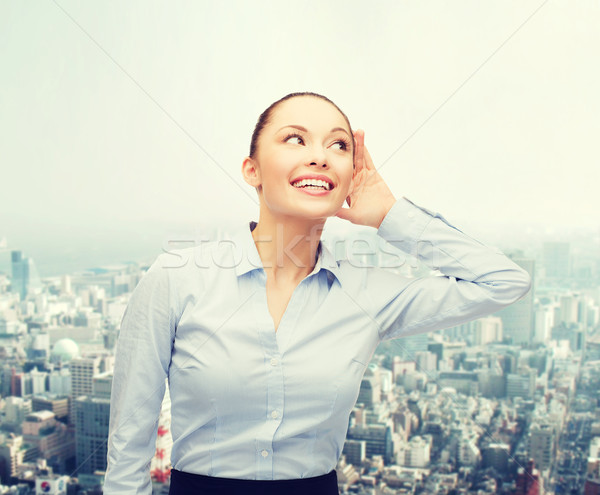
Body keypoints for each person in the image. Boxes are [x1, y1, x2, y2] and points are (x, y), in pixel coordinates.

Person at [103, 91, 531, 494]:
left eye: (339, 146)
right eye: (295, 139)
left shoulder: (368, 293)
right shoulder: (177, 278)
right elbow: (129, 445)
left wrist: (389, 214)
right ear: (251, 170)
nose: (319, 156)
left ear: (349, 177)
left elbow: (505, 281)